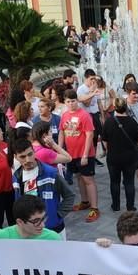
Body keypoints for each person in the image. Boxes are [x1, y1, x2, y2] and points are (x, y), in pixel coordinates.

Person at [12, 139, 75, 238]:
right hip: (31, 232)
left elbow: (70, 195)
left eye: (30, 154)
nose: (28, 160)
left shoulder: (51, 173)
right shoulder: (16, 177)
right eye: (22, 157)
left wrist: (58, 215)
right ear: (16, 157)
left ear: (34, 151)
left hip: (54, 229)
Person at [59, 89, 99, 222]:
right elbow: (62, 132)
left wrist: (85, 155)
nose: (71, 103)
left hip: (84, 154)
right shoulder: (64, 115)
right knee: (79, 178)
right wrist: (60, 149)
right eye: (68, 101)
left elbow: (89, 135)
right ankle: (85, 201)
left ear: (77, 101)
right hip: (71, 154)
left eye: (73, 101)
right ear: (64, 102)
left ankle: (94, 208)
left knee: (88, 180)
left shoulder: (84, 115)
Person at [102, 97, 138, 212]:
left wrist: (110, 149)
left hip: (113, 157)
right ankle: (130, 207)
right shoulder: (132, 122)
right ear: (126, 107)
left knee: (114, 182)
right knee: (129, 182)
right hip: (130, 157)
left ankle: (115, 206)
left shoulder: (109, 122)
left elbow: (104, 141)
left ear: (114, 108)